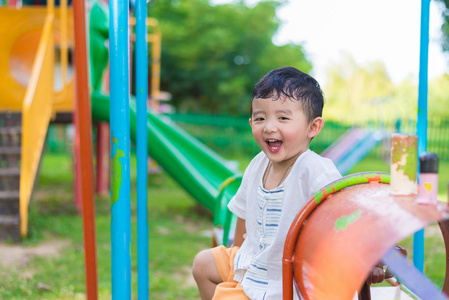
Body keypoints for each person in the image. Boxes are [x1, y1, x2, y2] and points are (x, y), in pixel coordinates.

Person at [192, 66, 344, 299]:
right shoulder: (258, 164)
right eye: (260, 118)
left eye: (283, 118)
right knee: (203, 263)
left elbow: (342, 221)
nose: (269, 127)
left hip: (287, 277)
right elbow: (243, 212)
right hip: (253, 259)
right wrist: (239, 253)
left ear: (312, 127)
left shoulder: (315, 170)